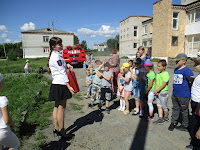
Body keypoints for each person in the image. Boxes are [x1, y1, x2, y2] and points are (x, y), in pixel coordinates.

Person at [48, 37, 75, 138]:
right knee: (61, 108)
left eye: (61, 43)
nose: (61, 45)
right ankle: (62, 131)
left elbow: (60, 67)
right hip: (61, 84)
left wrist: (67, 65)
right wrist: (69, 86)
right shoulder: (57, 57)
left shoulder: (56, 56)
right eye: (59, 44)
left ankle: (56, 128)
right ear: (53, 47)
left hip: (56, 83)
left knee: (56, 106)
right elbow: (62, 73)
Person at [168, 53, 194, 131]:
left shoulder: (186, 70)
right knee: (175, 108)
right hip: (175, 93)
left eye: (178, 61)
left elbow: (192, 78)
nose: (176, 62)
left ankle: (185, 125)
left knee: (184, 111)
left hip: (184, 95)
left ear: (184, 61)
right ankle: (173, 122)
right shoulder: (176, 69)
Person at [0, 73, 20, 150]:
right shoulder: (2, 100)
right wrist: (12, 123)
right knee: (15, 145)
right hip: (2, 131)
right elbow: (7, 120)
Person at [187, 64, 200, 149]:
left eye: (197, 65)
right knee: (195, 122)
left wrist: (198, 107)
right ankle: (194, 138)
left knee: (196, 123)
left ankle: (196, 143)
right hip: (195, 101)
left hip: (198, 103)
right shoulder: (198, 76)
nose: (194, 67)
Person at [153, 60, 170, 124]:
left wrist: (158, 90)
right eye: (157, 66)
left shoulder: (165, 74)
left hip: (163, 92)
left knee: (164, 106)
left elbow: (164, 84)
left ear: (164, 67)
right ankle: (160, 118)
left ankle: (166, 117)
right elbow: (156, 82)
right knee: (159, 105)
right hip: (158, 92)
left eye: (159, 66)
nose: (158, 68)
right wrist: (155, 90)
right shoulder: (158, 74)